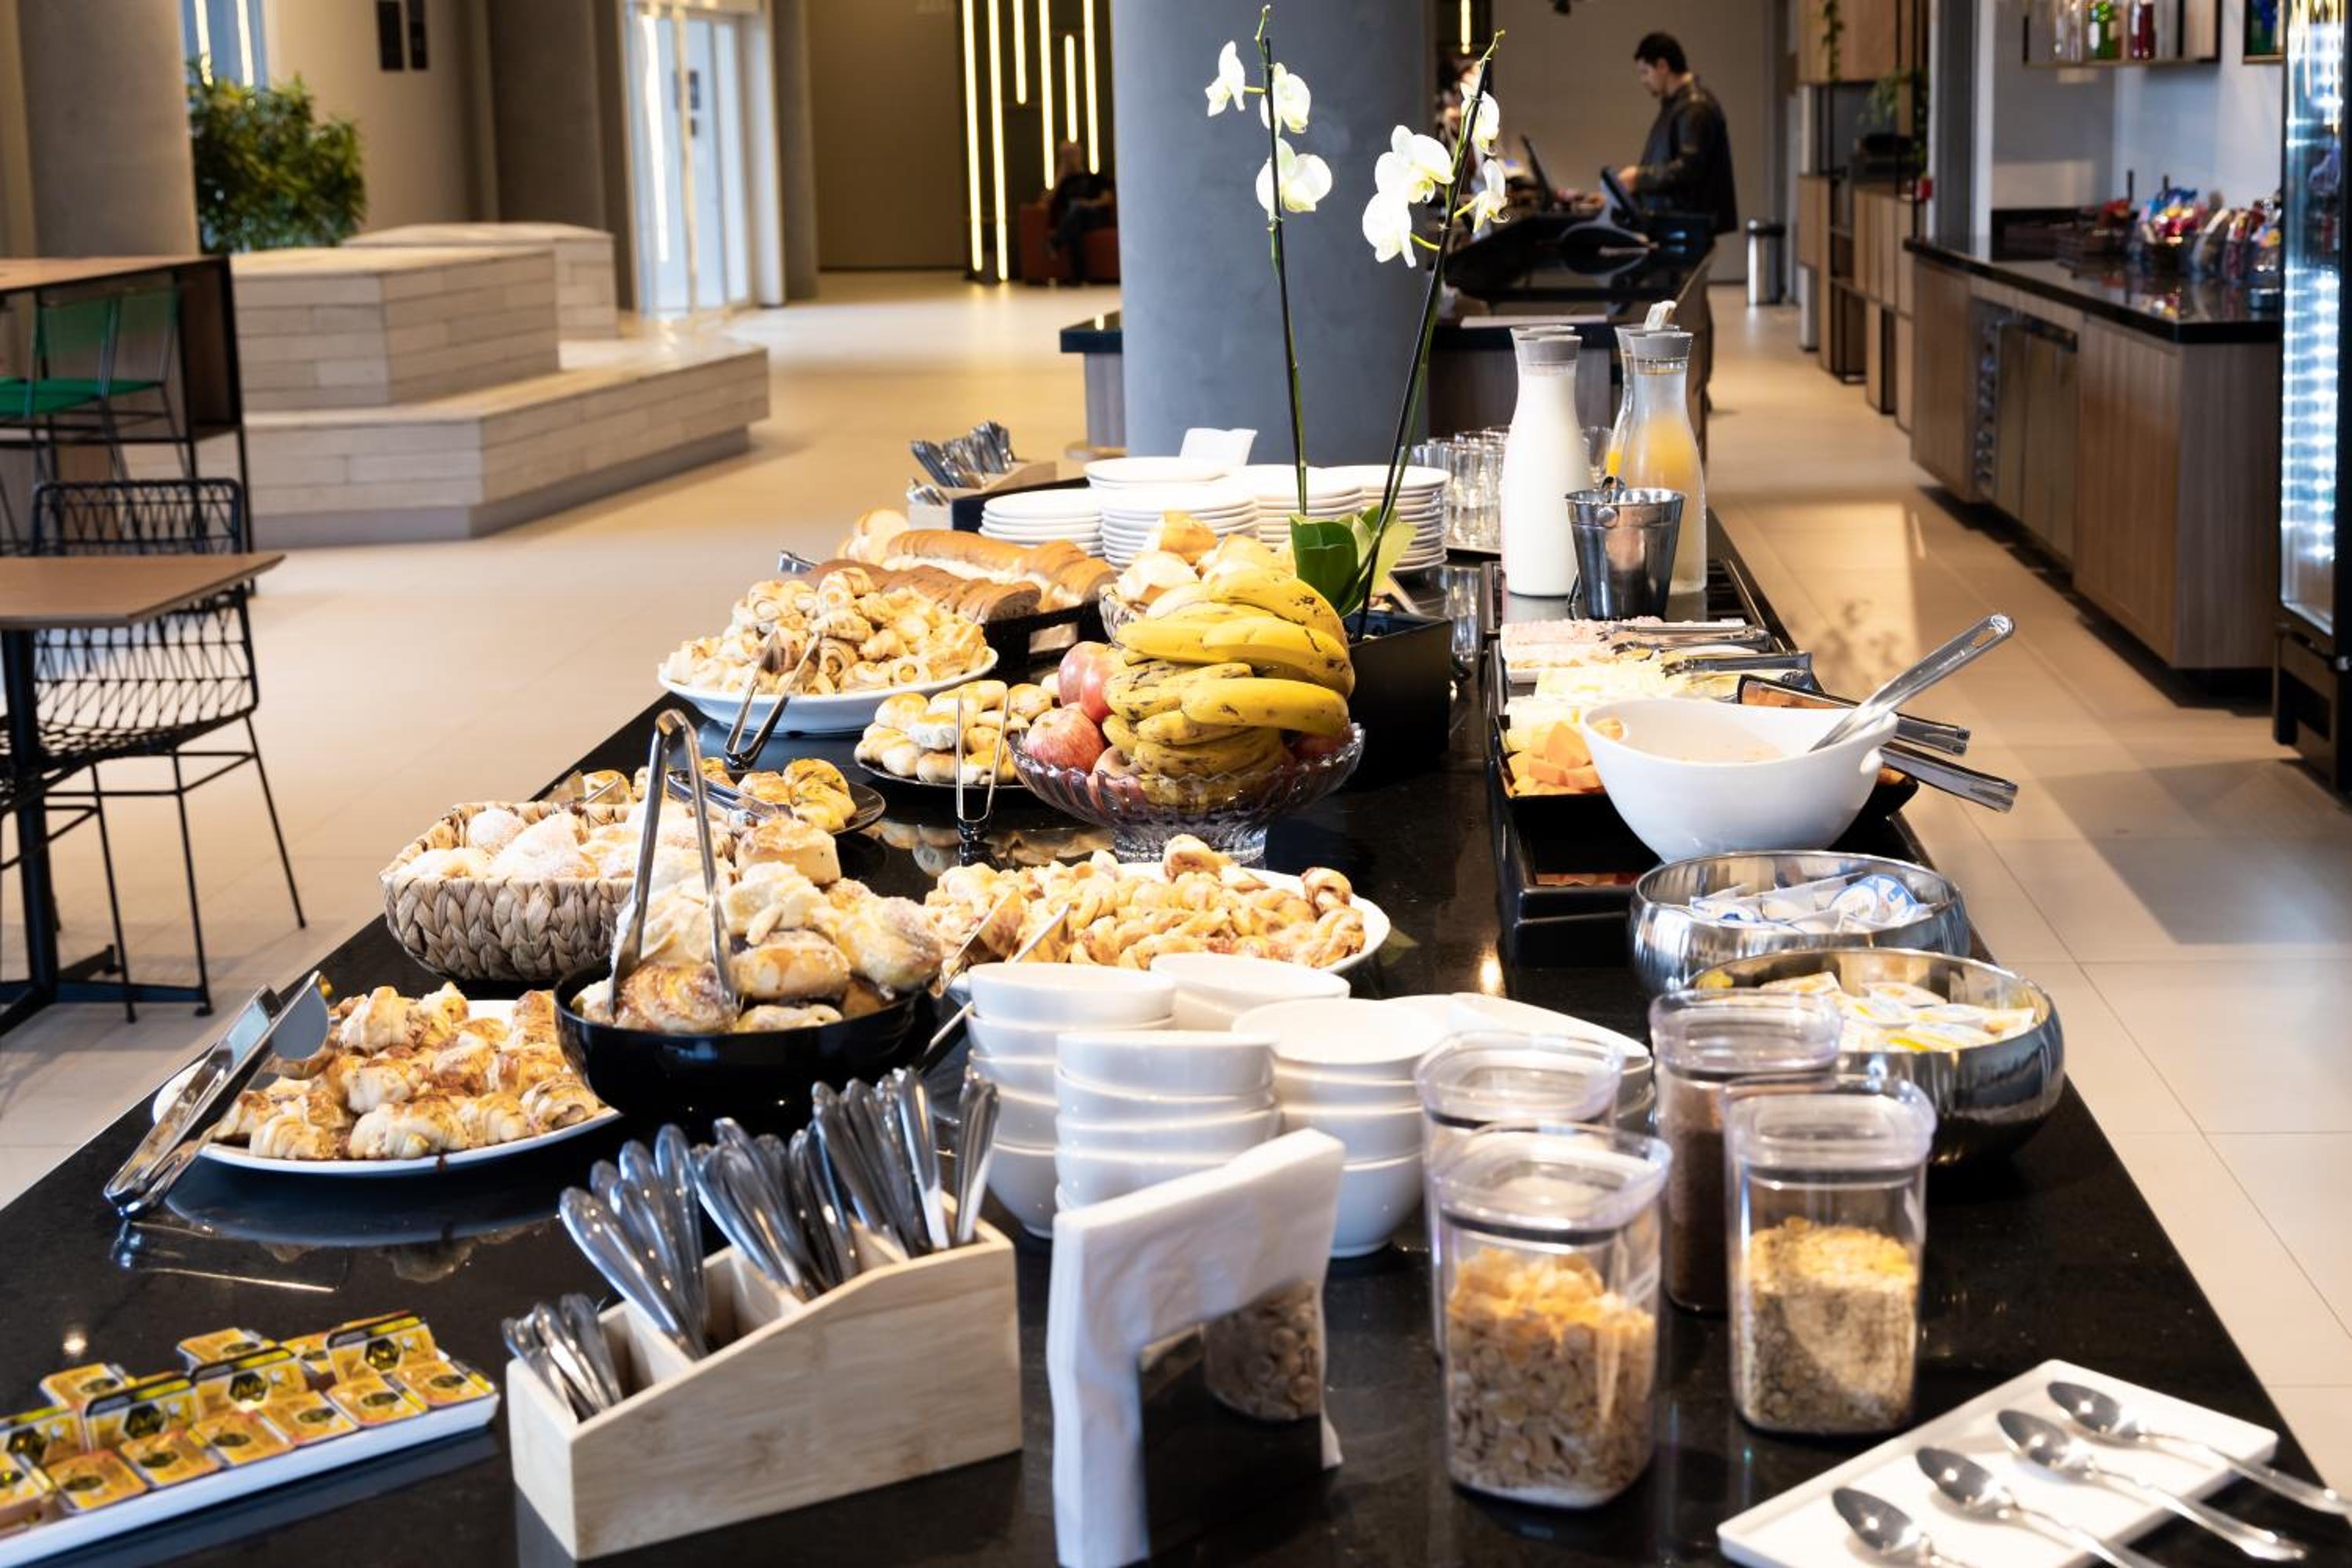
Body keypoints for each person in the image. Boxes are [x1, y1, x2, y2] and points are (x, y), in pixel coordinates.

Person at [1615, 33, 1738, 238]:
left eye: (1645, 72)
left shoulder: (1695, 107)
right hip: (1677, 225)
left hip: (1685, 228)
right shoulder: (1676, 105)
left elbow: (1688, 168)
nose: (1643, 81)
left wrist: (1638, 177)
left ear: (1663, 66)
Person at [1047, 141, 1114, 285]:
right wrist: (1059, 177)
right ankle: (1079, 277)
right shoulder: (1064, 184)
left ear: (1080, 155)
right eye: (1065, 156)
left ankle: (1056, 241)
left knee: (1076, 209)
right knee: (1074, 227)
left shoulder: (1095, 178)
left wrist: (1086, 204)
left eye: (1072, 154)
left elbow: (1107, 200)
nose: (1069, 159)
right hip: (1075, 222)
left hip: (1095, 218)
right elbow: (1048, 201)